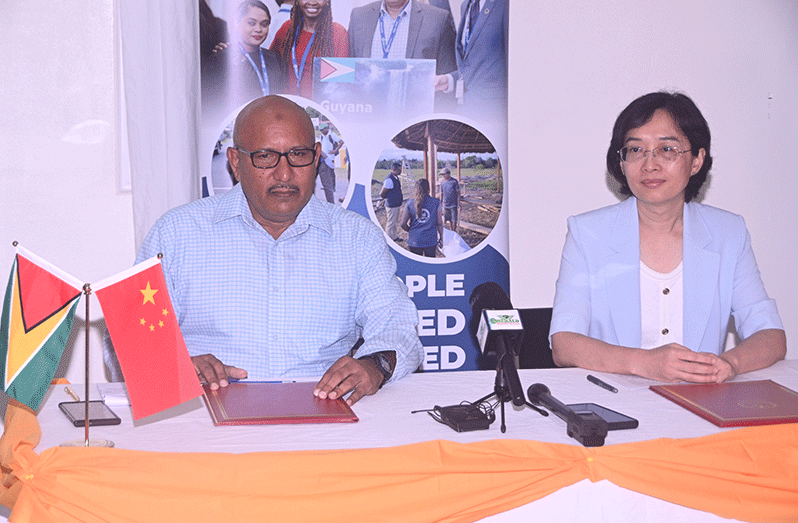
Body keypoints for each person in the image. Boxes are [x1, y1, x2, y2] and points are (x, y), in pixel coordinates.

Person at [129, 95, 423, 405]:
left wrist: (374, 366)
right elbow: (129, 338)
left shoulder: (357, 239)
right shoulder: (177, 234)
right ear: (235, 162)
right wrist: (175, 367)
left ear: (317, 156)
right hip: (202, 417)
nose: (284, 174)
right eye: (266, 156)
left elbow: (397, 329)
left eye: (298, 155)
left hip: (322, 420)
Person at [549, 91, 786, 384]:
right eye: (636, 150)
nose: (650, 164)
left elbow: (771, 336)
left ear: (698, 159)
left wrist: (729, 364)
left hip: (701, 403)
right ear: (621, 162)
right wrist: (646, 363)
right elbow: (564, 344)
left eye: (667, 149)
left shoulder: (728, 233)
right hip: (614, 403)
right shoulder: (588, 234)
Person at [347, 0, 457, 110]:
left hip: (417, 120)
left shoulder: (438, 19)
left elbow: (447, 81)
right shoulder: (359, 16)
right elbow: (351, 77)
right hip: (366, 116)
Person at [201, 1, 283, 120]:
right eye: (251, 23)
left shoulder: (274, 59)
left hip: (269, 124)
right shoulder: (221, 59)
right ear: (237, 22)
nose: (258, 29)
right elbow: (209, 106)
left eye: (264, 24)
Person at [270, 0, 348, 99]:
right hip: (287, 107)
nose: (312, 2)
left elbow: (341, 86)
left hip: (320, 109)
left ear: (327, 1)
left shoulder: (338, 34)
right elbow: (270, 68)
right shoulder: (287, 29)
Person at [447, 0, 508, 119]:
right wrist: (449, 80)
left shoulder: (504, 4)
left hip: (493, 116)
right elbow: (472, 65)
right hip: (467, 112)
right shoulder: (466, 6)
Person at [400, 178, 443, 257]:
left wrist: (410, 231)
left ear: (416, 189)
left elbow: (403, 224)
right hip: (430, 240)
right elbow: (439, 223)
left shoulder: (410, 203)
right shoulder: (436, 203)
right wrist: (441, 238)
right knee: (430, 266)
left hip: (414, 241)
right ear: (428, 189)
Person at [317, 121, 343, 203]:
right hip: (324, 158)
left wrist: (335, 150)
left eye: (322, 130)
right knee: (329, 173)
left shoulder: (332, 135)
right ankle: (330, 186)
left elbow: (341, 142)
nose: (321, 131)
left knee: (330, 172)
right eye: (320, 130)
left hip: (330, 158)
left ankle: (331, 187)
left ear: (326, 129)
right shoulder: (321, 136)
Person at [380, 161, 404, 241]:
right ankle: (389, 239)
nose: (401, 171)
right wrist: (388, 199)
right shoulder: (389, 180)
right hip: (392, 205)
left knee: (394, 222)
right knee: (390, 223)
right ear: (395, 170)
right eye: (400, 170)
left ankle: (394, 237)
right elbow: (382, 194)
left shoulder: (395, 178)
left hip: (396, 204)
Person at [438, 166, 460, 233]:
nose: (443, 176)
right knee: (449, 218)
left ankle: (454, 231)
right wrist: (440, 203)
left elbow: (458, 193)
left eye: (444, 174)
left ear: (448, 174)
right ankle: (451, 230)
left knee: (454, 218)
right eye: (442, 175)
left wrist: (458, 203)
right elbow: (441, 193)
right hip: (446, 203)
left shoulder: (454, 181)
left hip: (453, 204)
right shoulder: (442, 183)